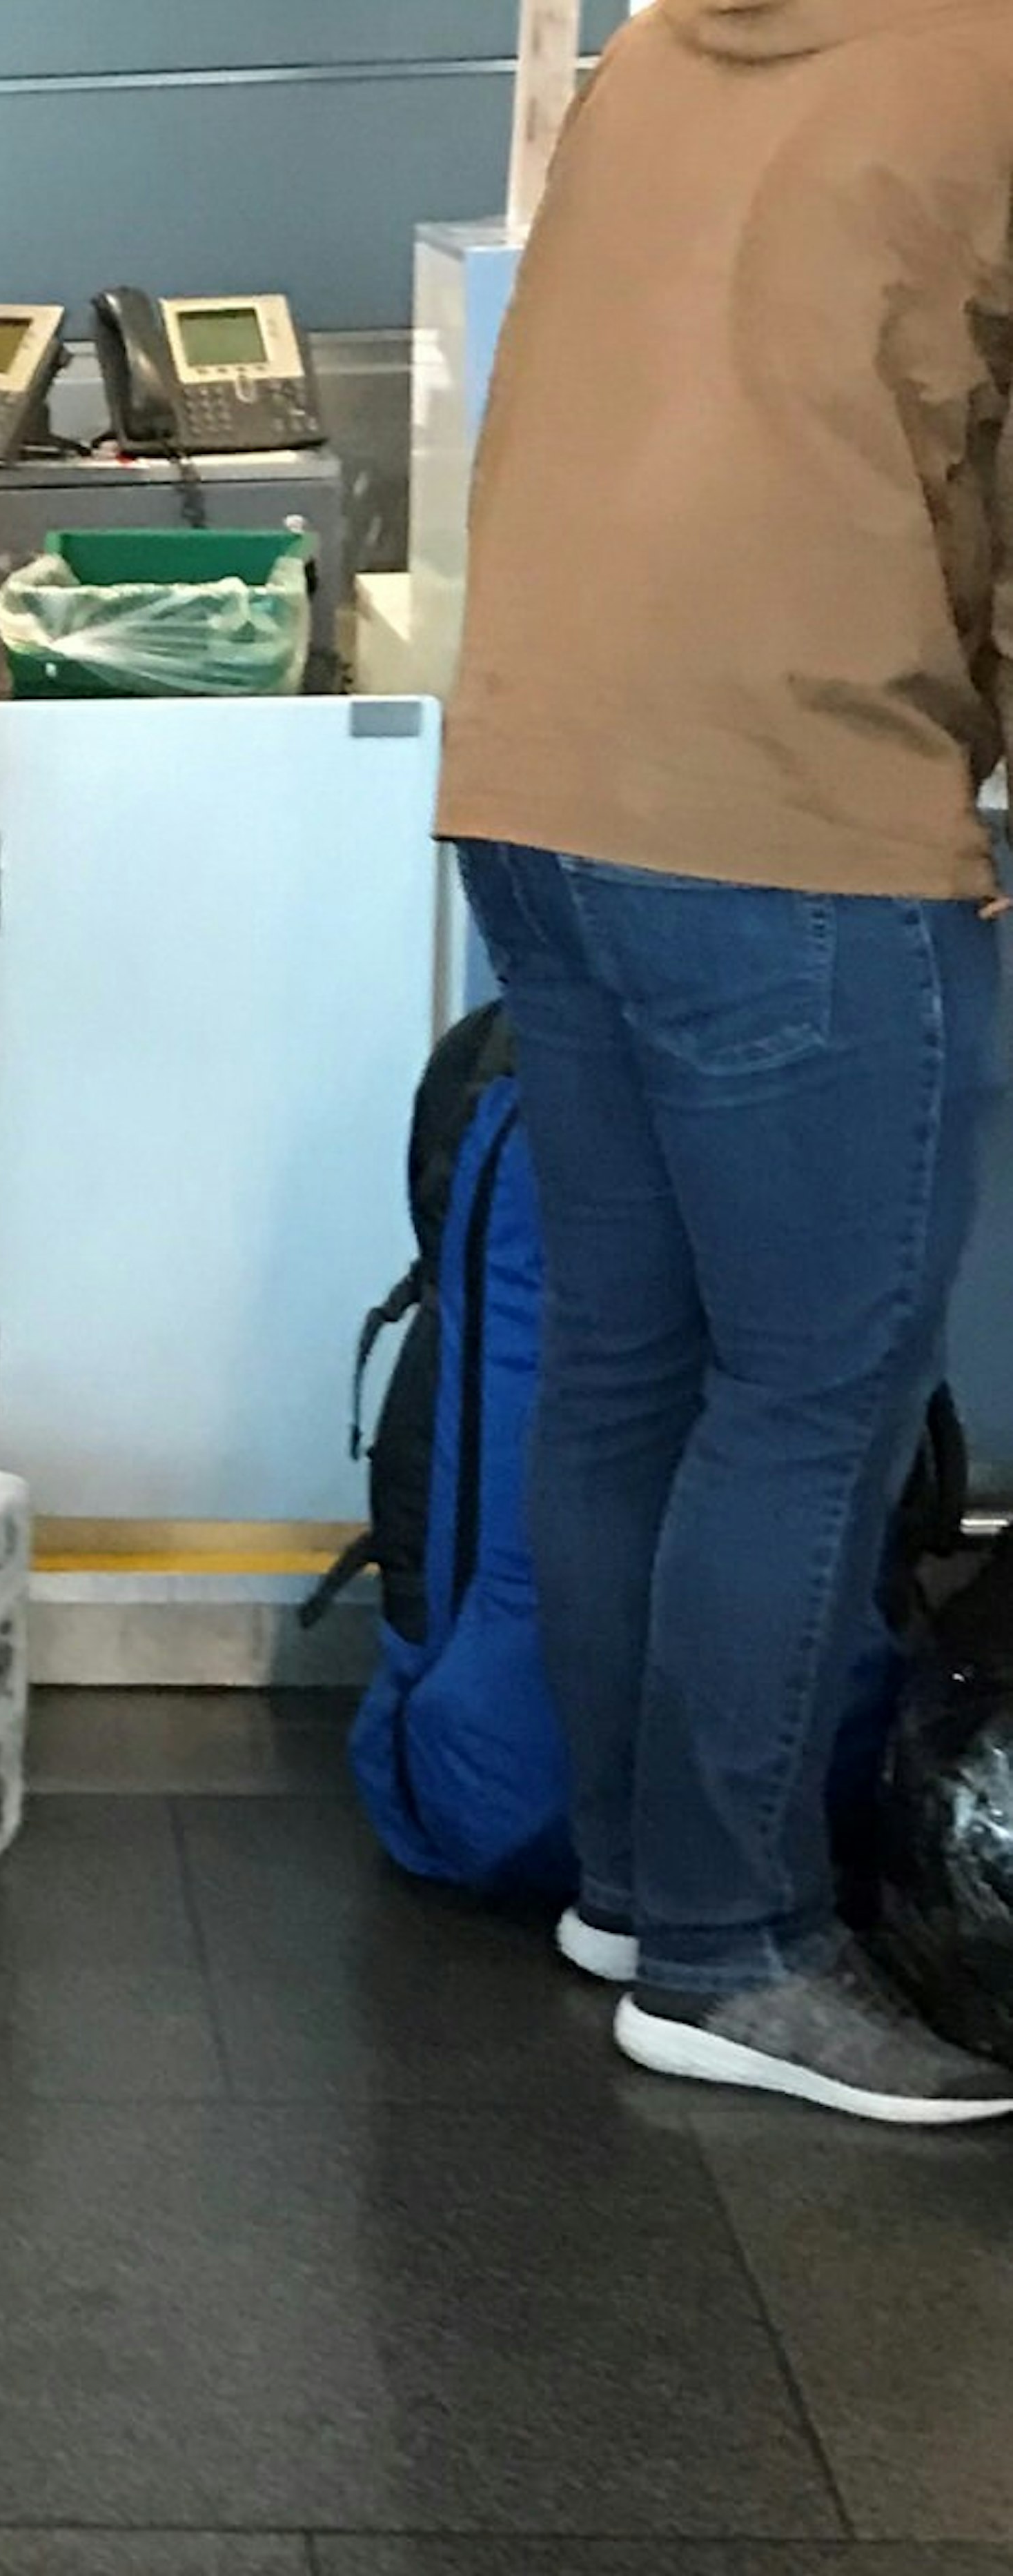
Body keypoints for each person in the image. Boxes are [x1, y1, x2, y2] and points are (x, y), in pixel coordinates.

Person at [440, 0, 1013, 2122]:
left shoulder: (657, 54)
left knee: (630, 1368)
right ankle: (738, 1949)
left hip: (542, 787)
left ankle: (633, 1880)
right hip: (798, 806)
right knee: (810, 1398)